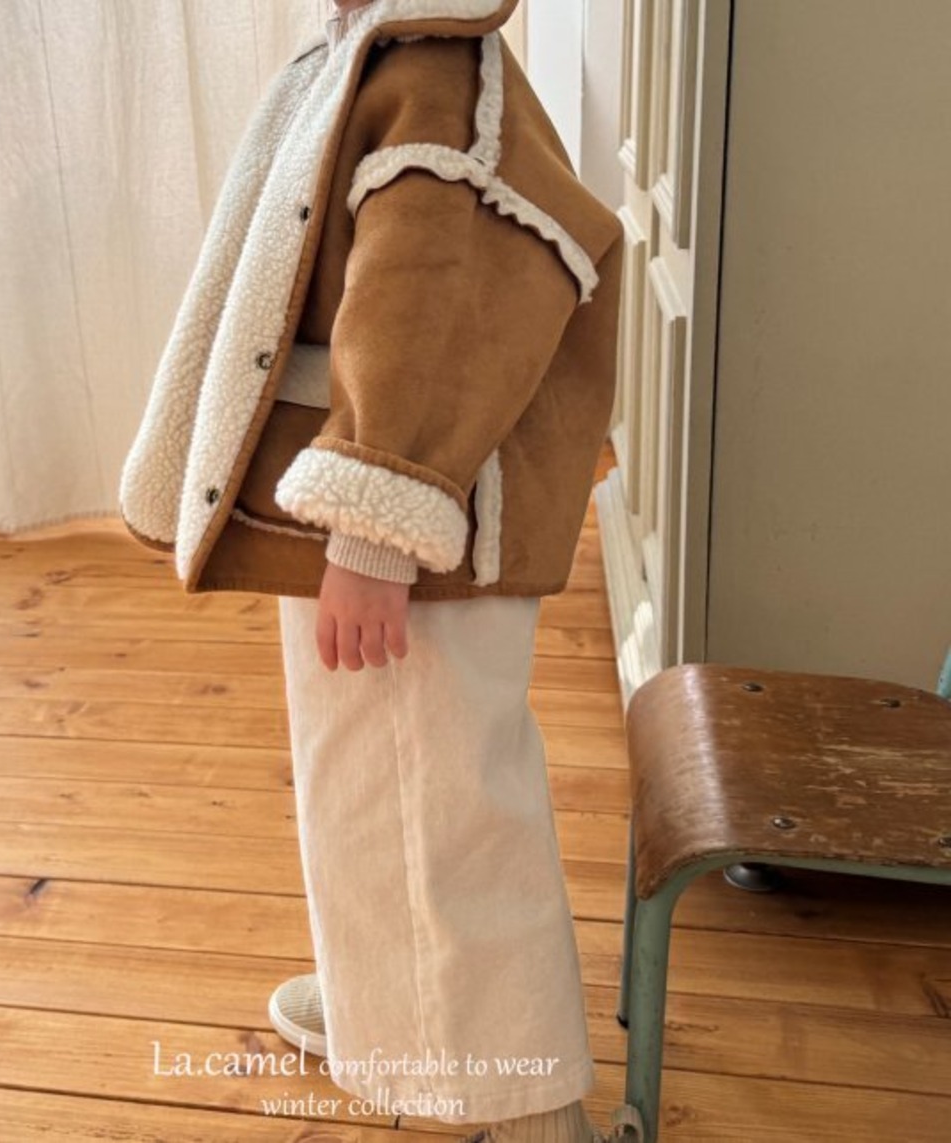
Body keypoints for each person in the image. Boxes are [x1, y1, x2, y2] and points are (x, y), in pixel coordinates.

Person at [119, 1, 642, 1140]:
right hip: (357, 501)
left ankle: (520, 1096)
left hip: (415, 518)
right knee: (363, 777)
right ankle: (391, 1011)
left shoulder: (436, 78)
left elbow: (432, 304)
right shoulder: (372, 56)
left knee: (441, 800)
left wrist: (373, 534)